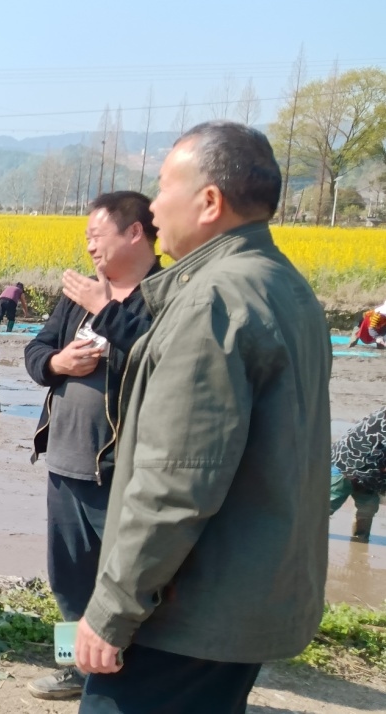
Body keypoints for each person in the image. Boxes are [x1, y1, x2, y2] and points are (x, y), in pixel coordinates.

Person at [74, 122, 331, 713]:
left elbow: (176, 481)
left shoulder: (212, 301)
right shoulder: (285, 286)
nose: (154, 206)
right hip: (246, 594)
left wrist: (113, 611)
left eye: (163, 188)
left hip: (189, 608)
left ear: (209, 201)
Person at [22, 191, 160, 701]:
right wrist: (58, 363)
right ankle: (74, 668)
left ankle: (130, 671)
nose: (90, 248)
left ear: (134, 233)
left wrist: (108, 311)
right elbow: (36, 352)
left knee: (125, 581)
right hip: (65, 462)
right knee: (68, 579)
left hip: (123, 471)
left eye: (96, 236)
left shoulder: (163, 297)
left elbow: (162, 361)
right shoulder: (79, 294)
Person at [329, 406, 386, 542]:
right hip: (346, 464)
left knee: (368, 508)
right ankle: (301, 537)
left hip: (370, 474)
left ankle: (360, 539)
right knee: (330, 503)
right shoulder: (382, 421)